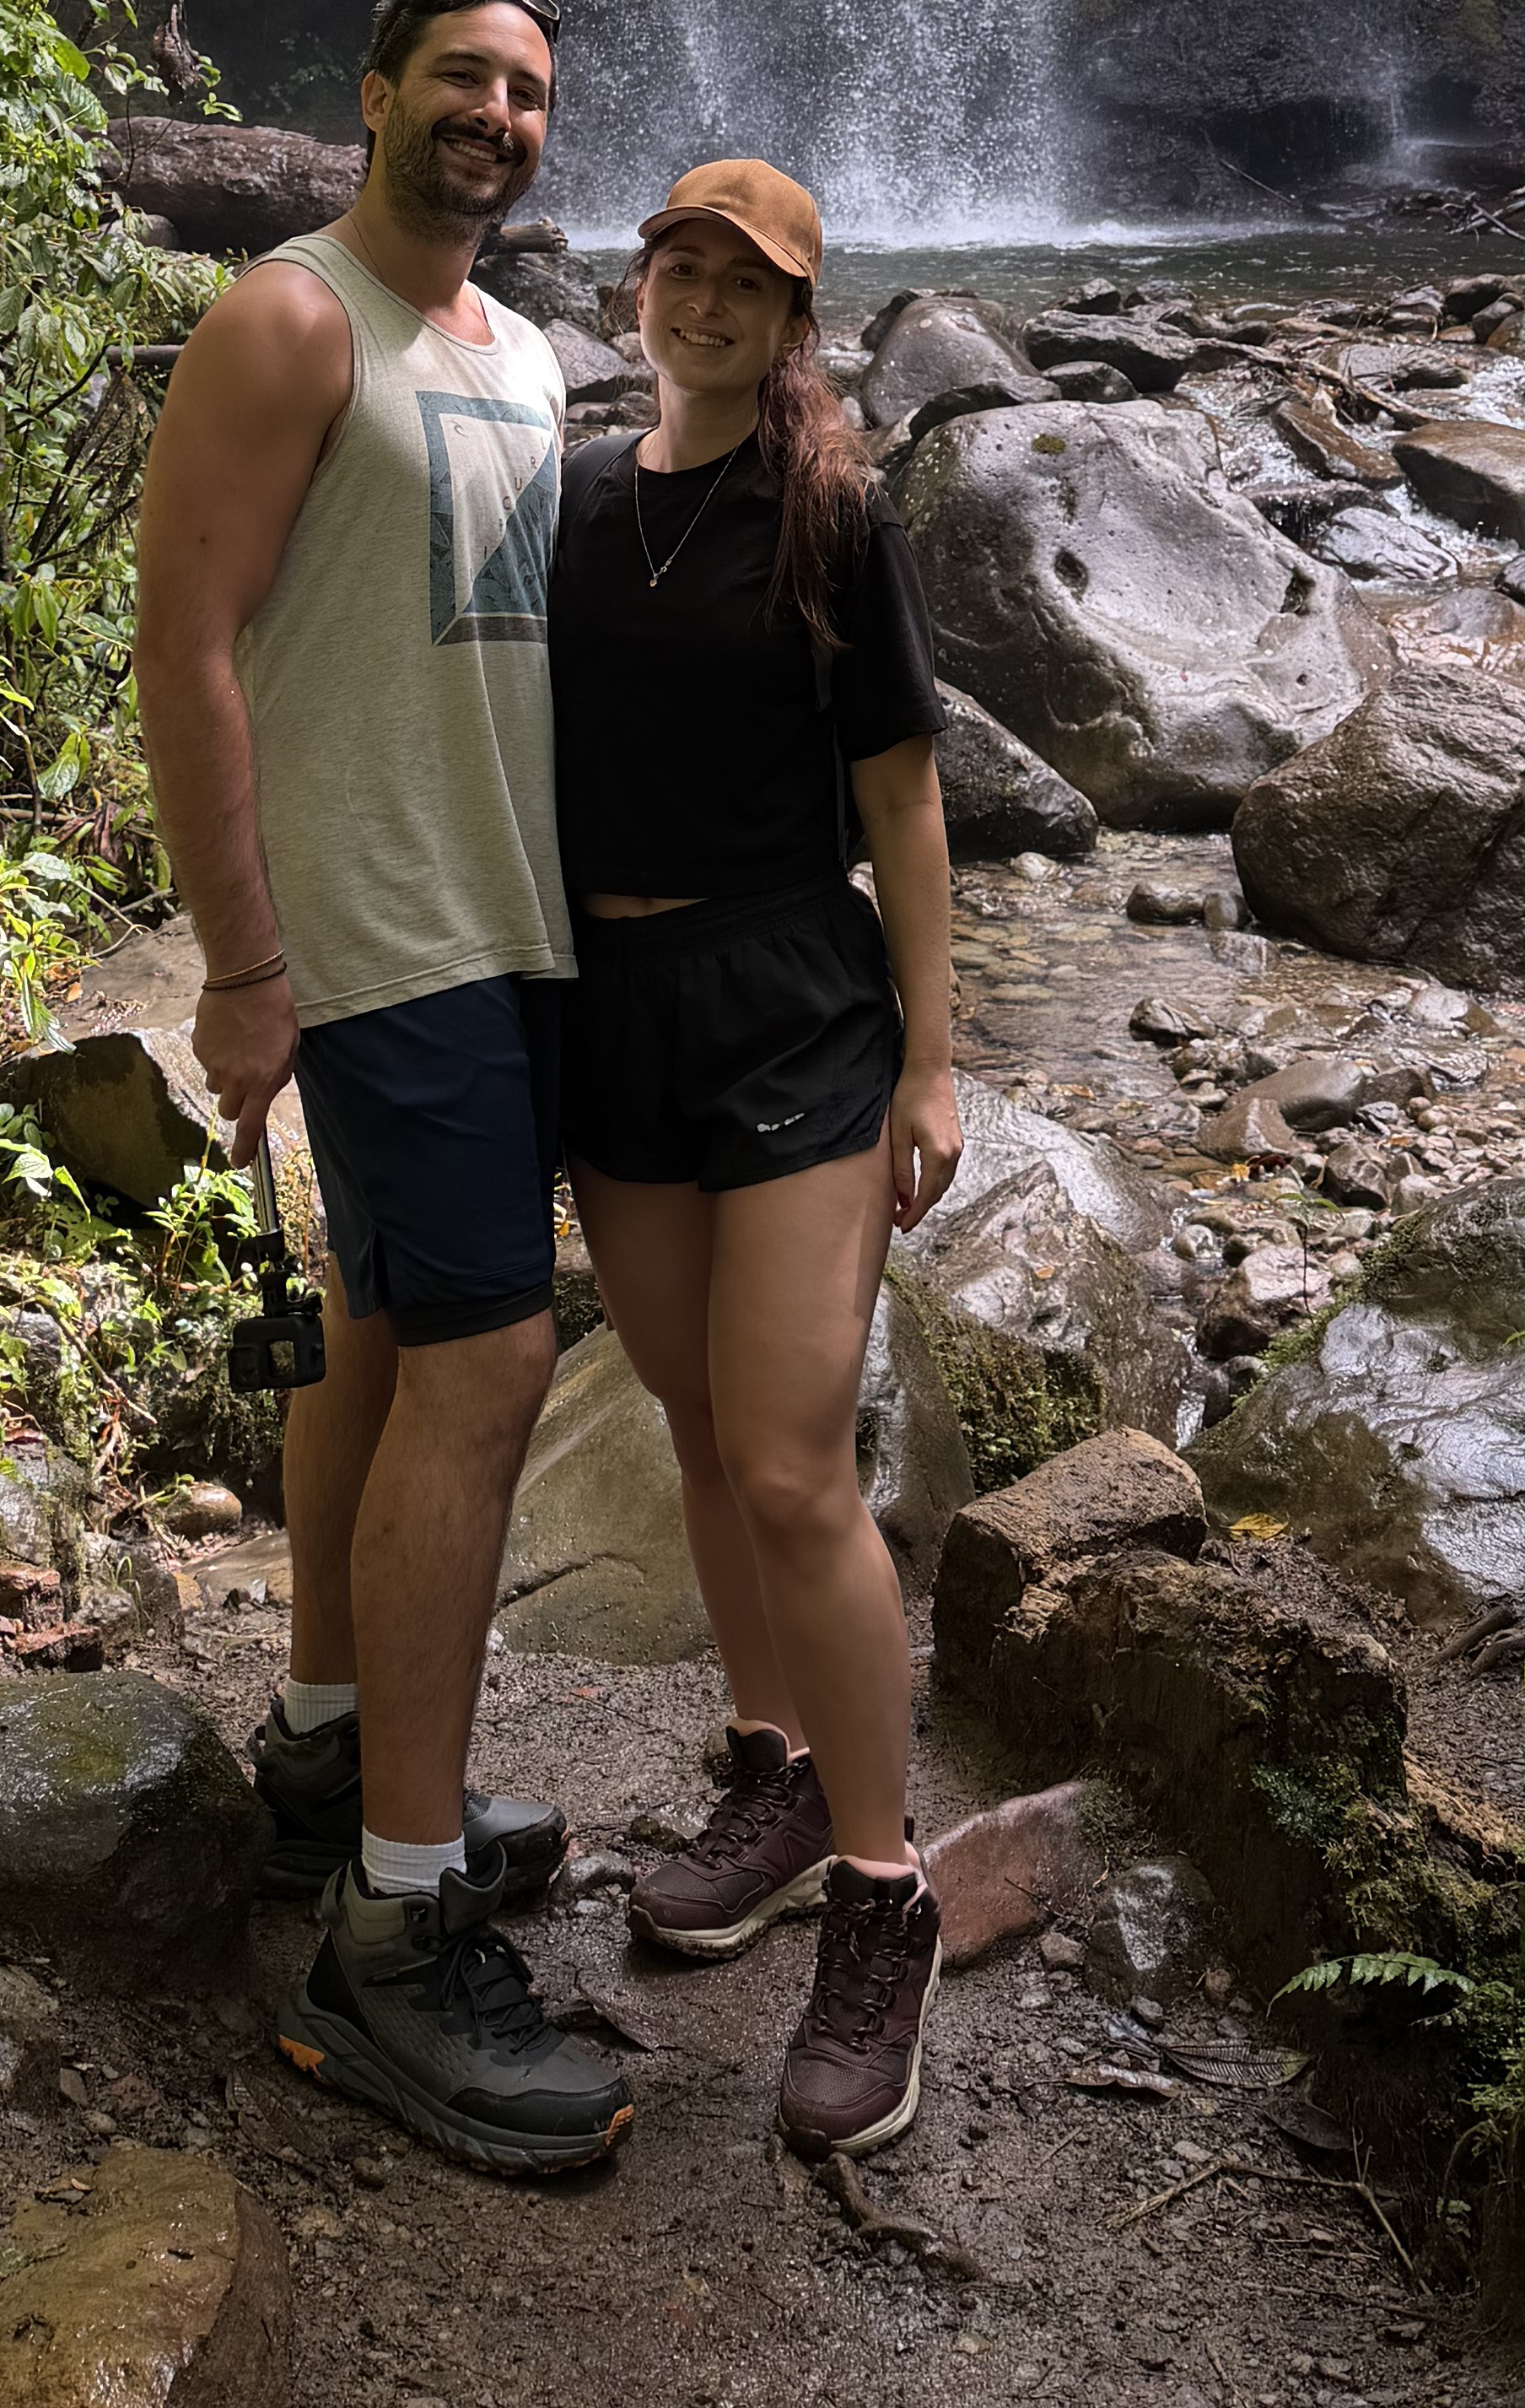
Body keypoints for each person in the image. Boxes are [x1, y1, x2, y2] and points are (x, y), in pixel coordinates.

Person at [129, 0, 633, 2180]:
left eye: (525, 93)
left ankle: (335, 1756)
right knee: (491, 1371)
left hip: (506, 924)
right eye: (459, 80)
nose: (494, 118)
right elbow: (185, 637)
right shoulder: (289, 318)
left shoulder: (517, 354)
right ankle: (391, 1931)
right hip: (377, 937)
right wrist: (243, 962)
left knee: (376, 1331)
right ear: (370, 98)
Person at [551, 156, 965, 2157]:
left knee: (794, 1457)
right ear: (642, 285)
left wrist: (935, 1067)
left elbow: (901, 796)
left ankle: (886, 1897)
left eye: (749, 284)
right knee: (698, 1426)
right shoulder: (577, 501)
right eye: (681, 267)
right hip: (614, 1018)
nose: (704, 302)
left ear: (800, 325)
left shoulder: (832, 510)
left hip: (795, 1008)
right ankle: (776, 1767)